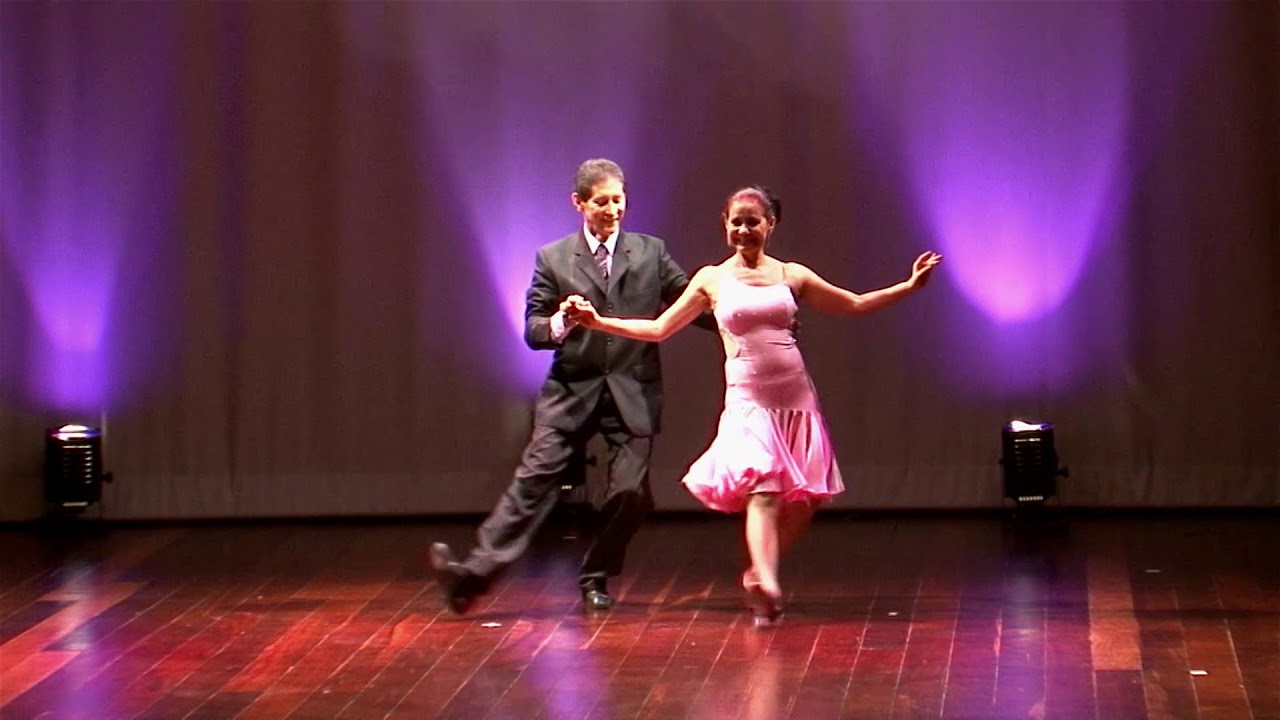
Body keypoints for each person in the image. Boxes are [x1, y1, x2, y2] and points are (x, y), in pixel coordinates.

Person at [564, 185, 942, 625]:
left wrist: (909, 286)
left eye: (753, 222)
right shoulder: (711, 279)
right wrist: (596, 321)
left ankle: (757, 574)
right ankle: (768, 584)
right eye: (736, 222)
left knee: (806, 499)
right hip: (749, 401)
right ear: (725, 226)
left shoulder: (792, 275)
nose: (744, 230)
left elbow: (853, 304)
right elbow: (659, 329)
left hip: (796, 399)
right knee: (763, 489)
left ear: (770, 225)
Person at [427, 158, 712, 614]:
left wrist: (747, 315)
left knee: (629, 495)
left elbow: (691, 302)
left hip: (631, 390)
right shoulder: (554, 258)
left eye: (618, 200)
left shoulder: (651, 253)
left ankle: (595, 574)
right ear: (578, 204)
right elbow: (534, 330)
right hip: (571, 391)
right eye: (602, 202)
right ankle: (470, 578)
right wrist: (562, 319)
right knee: (531, 485)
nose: (613, 210)